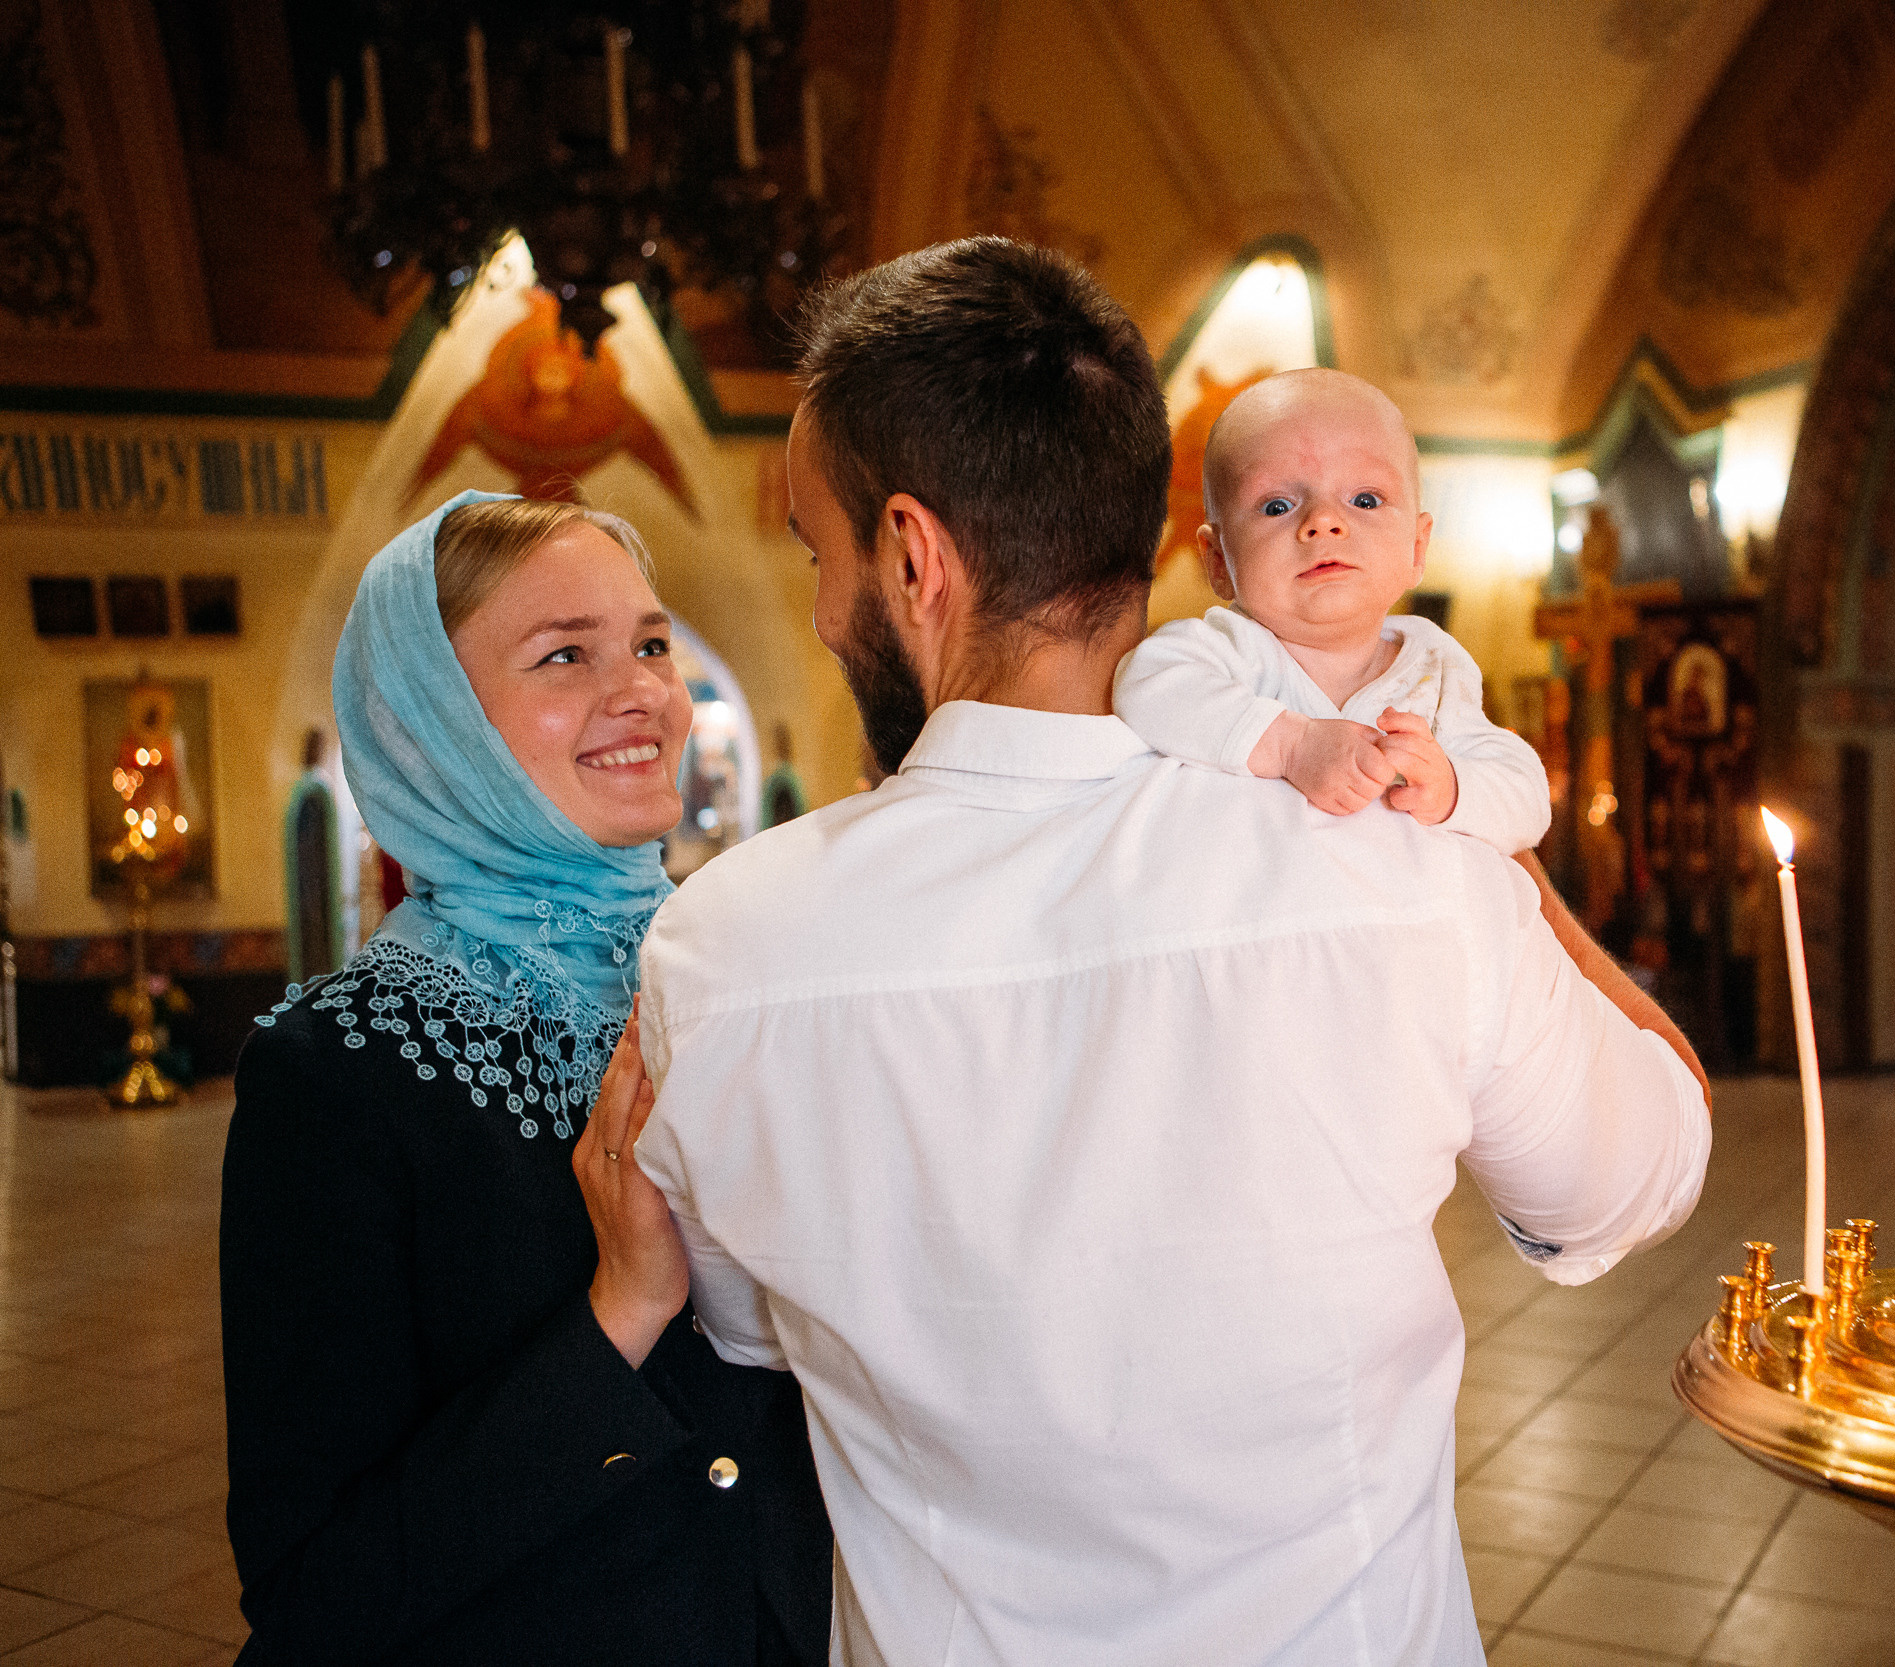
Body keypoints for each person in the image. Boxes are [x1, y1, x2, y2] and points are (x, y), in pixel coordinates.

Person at [633, 237, 1713, 1667]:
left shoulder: (721, 950)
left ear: (912, 553)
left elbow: (743, 1318)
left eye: (815, 553)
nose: (828, 606)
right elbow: (1641, 1172)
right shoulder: (1388, 865)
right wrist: (1470, 828)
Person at [219, 493, 831, 1665]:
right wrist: (622, 1311)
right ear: (433, 725)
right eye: (565, 654)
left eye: (652, 643)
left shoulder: (736, 983)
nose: (645, 690)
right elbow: (316, 1591)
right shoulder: (336, 1075)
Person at [1113, 367, 1548, 850]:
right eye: (1277, 506)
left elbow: (1526, 794)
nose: (1323, 521)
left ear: (1417, 548)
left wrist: (1451, 788)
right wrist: (1290, 746)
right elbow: (1145, 685)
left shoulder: (1434, 669)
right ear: (1218, 561)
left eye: (1365, 499)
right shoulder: (1225, 654)